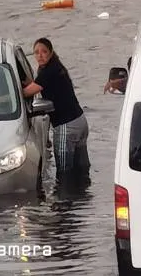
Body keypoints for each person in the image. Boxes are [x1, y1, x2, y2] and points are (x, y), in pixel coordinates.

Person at [22, 38, 90, 181]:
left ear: (51, 52)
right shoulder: (55, 67)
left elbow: (26, 93)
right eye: (36, 53)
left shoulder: (49, 72)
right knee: (82, 169)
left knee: (64, 174)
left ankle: (66, 200)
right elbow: (37, 84)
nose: (40, 56)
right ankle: (83, 199)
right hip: (80, 121)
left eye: (44, 52)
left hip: (67, 126)